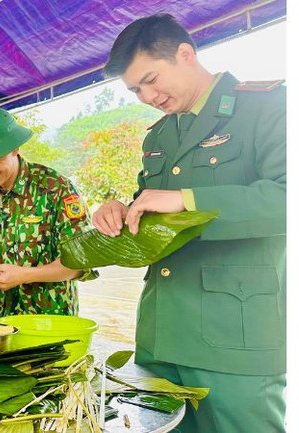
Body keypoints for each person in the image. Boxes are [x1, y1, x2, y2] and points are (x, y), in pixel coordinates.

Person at [93, 13, 285, 432]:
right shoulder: (158, 137)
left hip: (234, 336)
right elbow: (153, 213)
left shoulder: (268, 106)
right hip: (162, 333)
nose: (146, 95)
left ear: (185, 54)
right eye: (135, 89)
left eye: (151, 79)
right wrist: (120, 211)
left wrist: (186, 199)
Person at [0, 107, 97, 322]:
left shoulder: (55, 188)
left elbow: (81, 261)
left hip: (50, 319)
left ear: (15, 148)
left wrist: (27, 275)